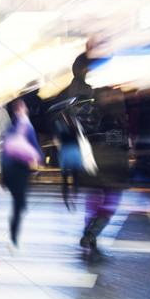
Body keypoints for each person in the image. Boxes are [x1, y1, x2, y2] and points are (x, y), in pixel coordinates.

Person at [59, 39, 129, 261]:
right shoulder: (105, 96)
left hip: (85, 154)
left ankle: (90, 233)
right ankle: (92, 232)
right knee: (111, 197)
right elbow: (116, 128)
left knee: (95, 196)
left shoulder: (69, 95)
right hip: (108, 155)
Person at [0, 98, 43, 247]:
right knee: (18, 203)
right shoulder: (26, 125)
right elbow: (34, 146)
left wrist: (3, 174)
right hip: (19, 168)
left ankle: (14, 227)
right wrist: (40, 159)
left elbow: (3, 151)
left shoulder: (9, 126)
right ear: (21, 108)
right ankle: (13, 235)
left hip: (8, 168)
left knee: (18, 199)